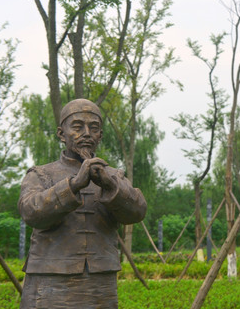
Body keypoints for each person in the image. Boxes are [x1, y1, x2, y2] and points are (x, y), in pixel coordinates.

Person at [19, 99, 147, 309]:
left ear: (100, 136)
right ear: (62, 134)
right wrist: (73, 185)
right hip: (50, 280)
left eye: (93, 128)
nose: (86, 133)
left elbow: (137, 212)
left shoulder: (114, 176)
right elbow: (31, 212)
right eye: (78, 127)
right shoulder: (41, 175)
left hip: (100, 283)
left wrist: (110, 185)